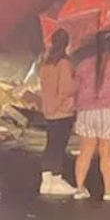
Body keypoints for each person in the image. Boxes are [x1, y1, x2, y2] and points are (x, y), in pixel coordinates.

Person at [72, 31, 110, 201]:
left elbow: (75, 88)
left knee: (85, 151)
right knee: (106, 153)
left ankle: (79, 189)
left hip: (86, 112)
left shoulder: (84, 64)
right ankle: (108, 191)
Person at [38, 29, 77, 196]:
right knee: (59, 145)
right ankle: (56, 179)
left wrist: (50, 106)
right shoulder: (64, 63)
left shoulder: (45, 64)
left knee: (51, 144)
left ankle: (46, 180)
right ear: (66, 43)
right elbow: (67, 89)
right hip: (62, 111)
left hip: (49, 111)